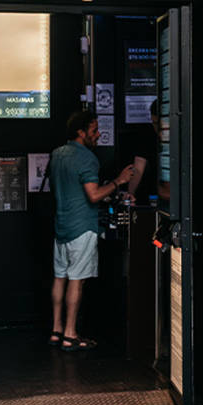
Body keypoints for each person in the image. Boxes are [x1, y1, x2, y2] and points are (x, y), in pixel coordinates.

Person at [48, 110, 134, 352]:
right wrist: (119, 181)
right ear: (81, 132)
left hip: (62, 226)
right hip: (82, 227)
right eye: (94, 130)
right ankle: (70, 334)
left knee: (60, 277)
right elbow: (93, 194)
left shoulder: (57, 154)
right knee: (77, 280)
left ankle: (56, 329)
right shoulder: (86, 158)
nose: (98, 135)